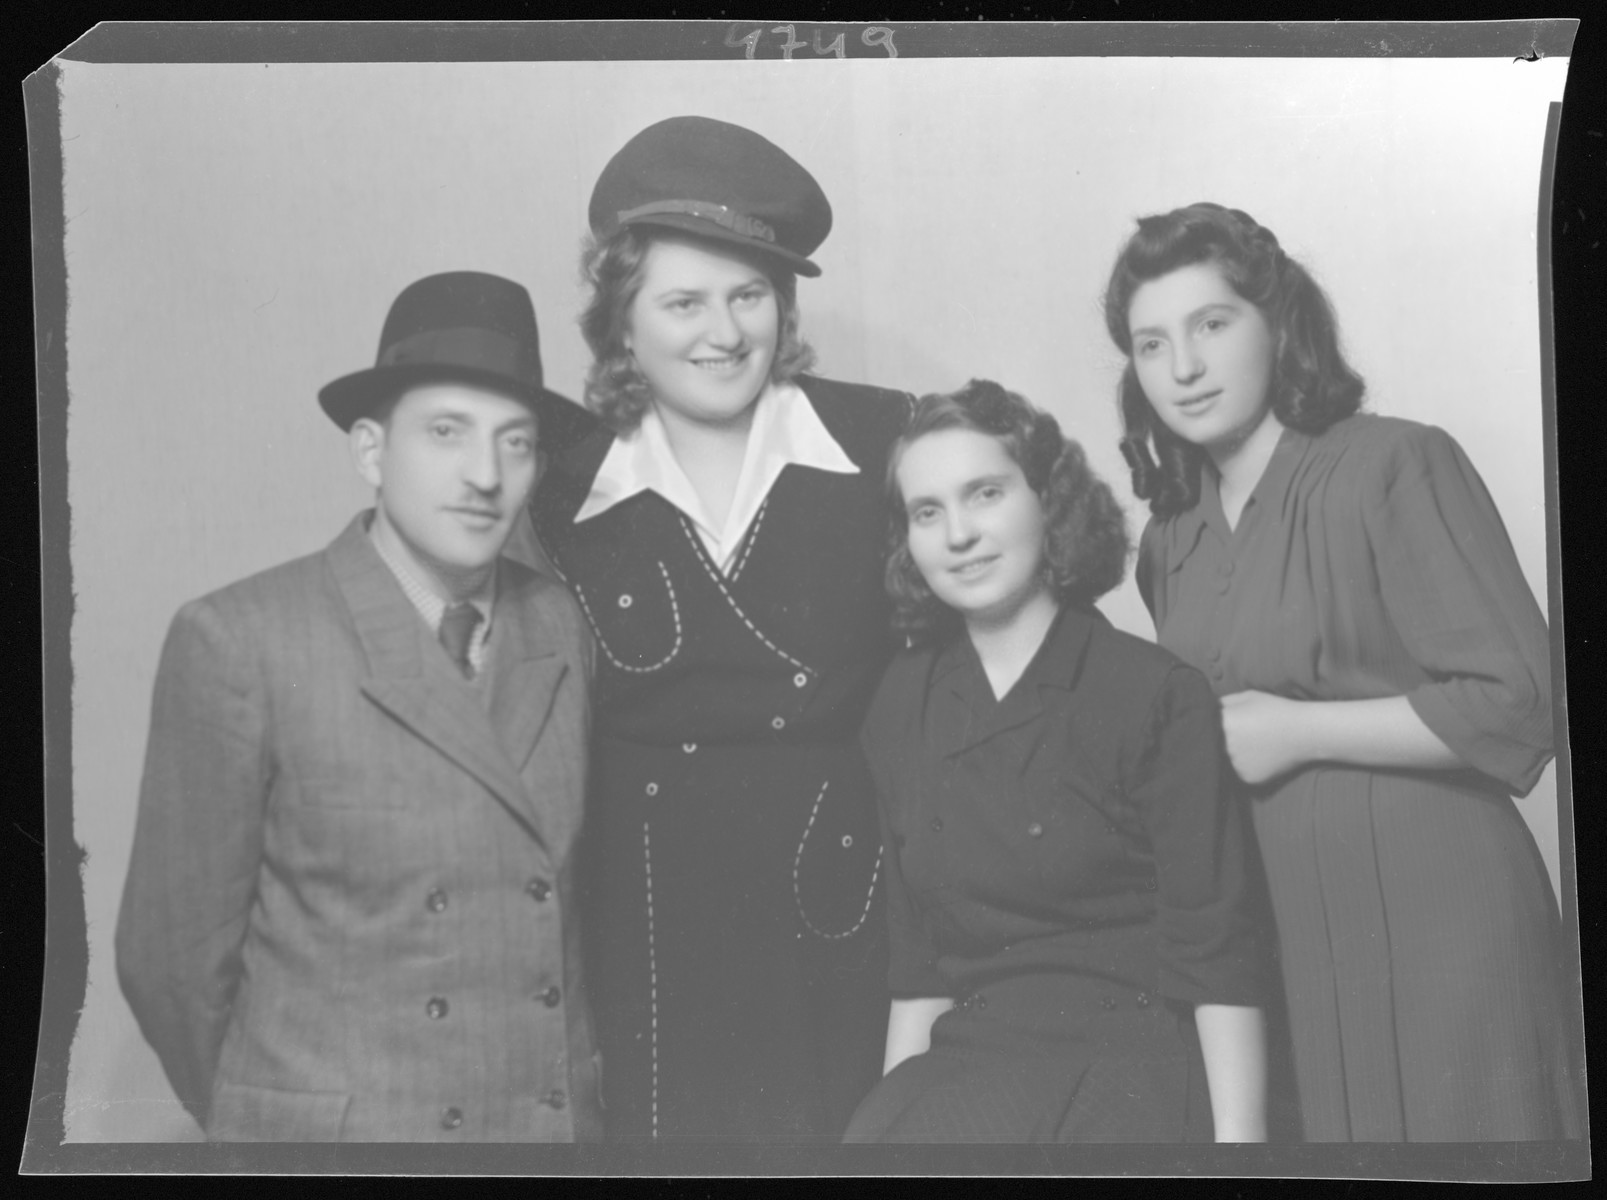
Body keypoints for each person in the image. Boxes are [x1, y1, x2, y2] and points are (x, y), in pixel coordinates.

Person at [1105, 202, 1584, 1141]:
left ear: (1278, 324)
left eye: (1211, 324)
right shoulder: (1167, 540)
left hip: (1439, 911)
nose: (1185, 368)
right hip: (1282, 929)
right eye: (1151, 344)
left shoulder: (1395, 462)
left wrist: (1298, 730)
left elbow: (1519, 699)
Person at [115, 272, 602, 1142]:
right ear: (372, 451)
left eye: (516, 442)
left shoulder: (558, 624)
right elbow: (170, 964)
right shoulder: (241, 638)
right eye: (446, 433)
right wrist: (275, 1121)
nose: (484, 475)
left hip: (540, 1140)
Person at [518, 116, 913, 1141]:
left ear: (783, 309)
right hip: (645, 908)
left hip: (840, 886)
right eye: (682, 302)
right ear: (621, 320)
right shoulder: (558, 491)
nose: (723, 333)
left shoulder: (885, 441)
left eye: (750, 296)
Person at [843, 379, 1266, 1143]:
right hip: (969, 1062)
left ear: (1048, 497)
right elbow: (916, 973)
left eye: (985, 494)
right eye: (926, 512)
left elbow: (1218, 960)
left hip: (1125, 1065)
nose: (958, 534)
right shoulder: (899, 703)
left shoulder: (1150, 692)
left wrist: (1240, 1162)